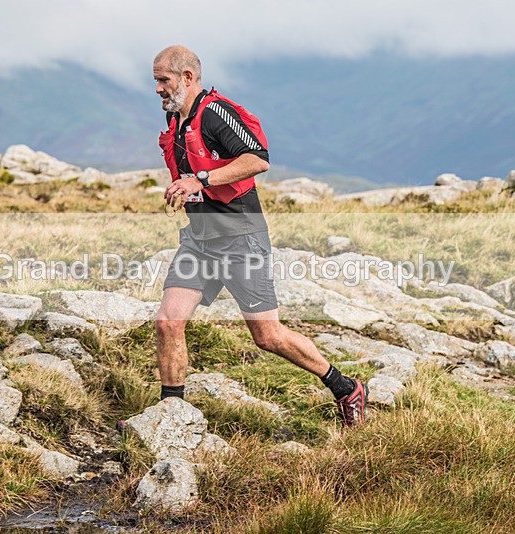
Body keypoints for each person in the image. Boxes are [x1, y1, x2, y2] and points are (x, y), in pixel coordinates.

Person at [151, 45, 368, 426]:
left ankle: (345, 387)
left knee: (267, 336)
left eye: (163, 80)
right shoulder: (177, 123)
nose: (158, 89)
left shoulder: (215, 112)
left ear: (188, 78)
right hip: (199, 241)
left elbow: (257, 157)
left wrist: (198, 179)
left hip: (241, 239)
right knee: (168, 322)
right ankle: (171, 417)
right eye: (155, 81)